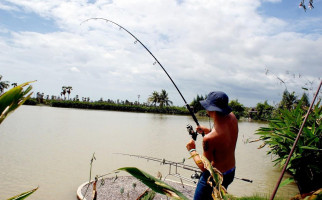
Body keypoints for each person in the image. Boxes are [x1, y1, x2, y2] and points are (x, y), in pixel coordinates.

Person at [186, 91, 238, 200]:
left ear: (211, 109)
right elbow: (224, 137)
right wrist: (209, 130)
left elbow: (204, 167)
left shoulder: (209, 139)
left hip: (214, 177)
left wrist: (192, 150)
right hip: (230, 172)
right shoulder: (233, 118)